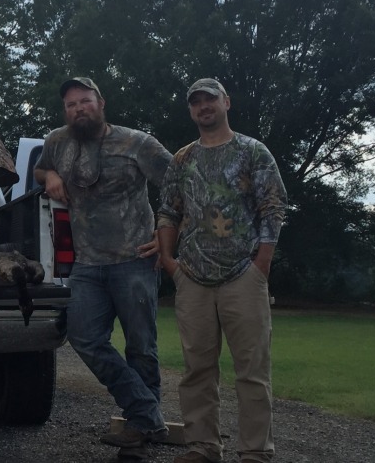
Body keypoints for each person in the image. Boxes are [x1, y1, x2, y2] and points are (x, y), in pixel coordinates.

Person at [34, 77, 172, 450]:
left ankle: (140, 427)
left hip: (134, 260)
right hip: (87, 264)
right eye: (71, 105)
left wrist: (166, 237)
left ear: (101, 102)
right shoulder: (58, 141)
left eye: (85, 101)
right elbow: (39, 170)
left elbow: (178, 187)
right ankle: (147, 412)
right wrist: (52, 175)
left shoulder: (136, 142)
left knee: (141, 346)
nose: (78, 109)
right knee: (84, 338)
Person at [157, 78, 287, 463]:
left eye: (210, 99)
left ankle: (255, 452)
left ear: (226, 102)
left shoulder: (252, 152)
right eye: (196, 102)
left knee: (252, 371)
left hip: (243, 276)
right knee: (196, 369)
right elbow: (167, 209)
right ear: (191, 110)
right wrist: (169, 261)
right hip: (192, 278)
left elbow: (273, 206)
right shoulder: (182, 159)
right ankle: (202, 447)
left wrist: (261, 265)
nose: (203, 106)